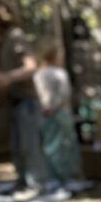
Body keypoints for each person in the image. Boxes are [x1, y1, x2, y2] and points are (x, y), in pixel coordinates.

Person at [0, 0, 47, 198]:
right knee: (18, 147)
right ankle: (23, 183)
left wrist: (7, 77)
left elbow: (30, 66)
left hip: (27, 101)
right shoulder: (5, 40)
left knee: (29, 146)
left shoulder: (16, 36)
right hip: (16, 101)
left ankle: (35, 185)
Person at [34, 41, 82, 191]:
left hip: (44, 113)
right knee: (64, 146)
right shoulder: (59, 73)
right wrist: (53, 107)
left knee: (49, 146)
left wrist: (45, 107)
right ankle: (66, 178)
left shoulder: (38, 74)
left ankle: (52, 177)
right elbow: (64, 93)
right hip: (60, 113)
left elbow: (38, 95)